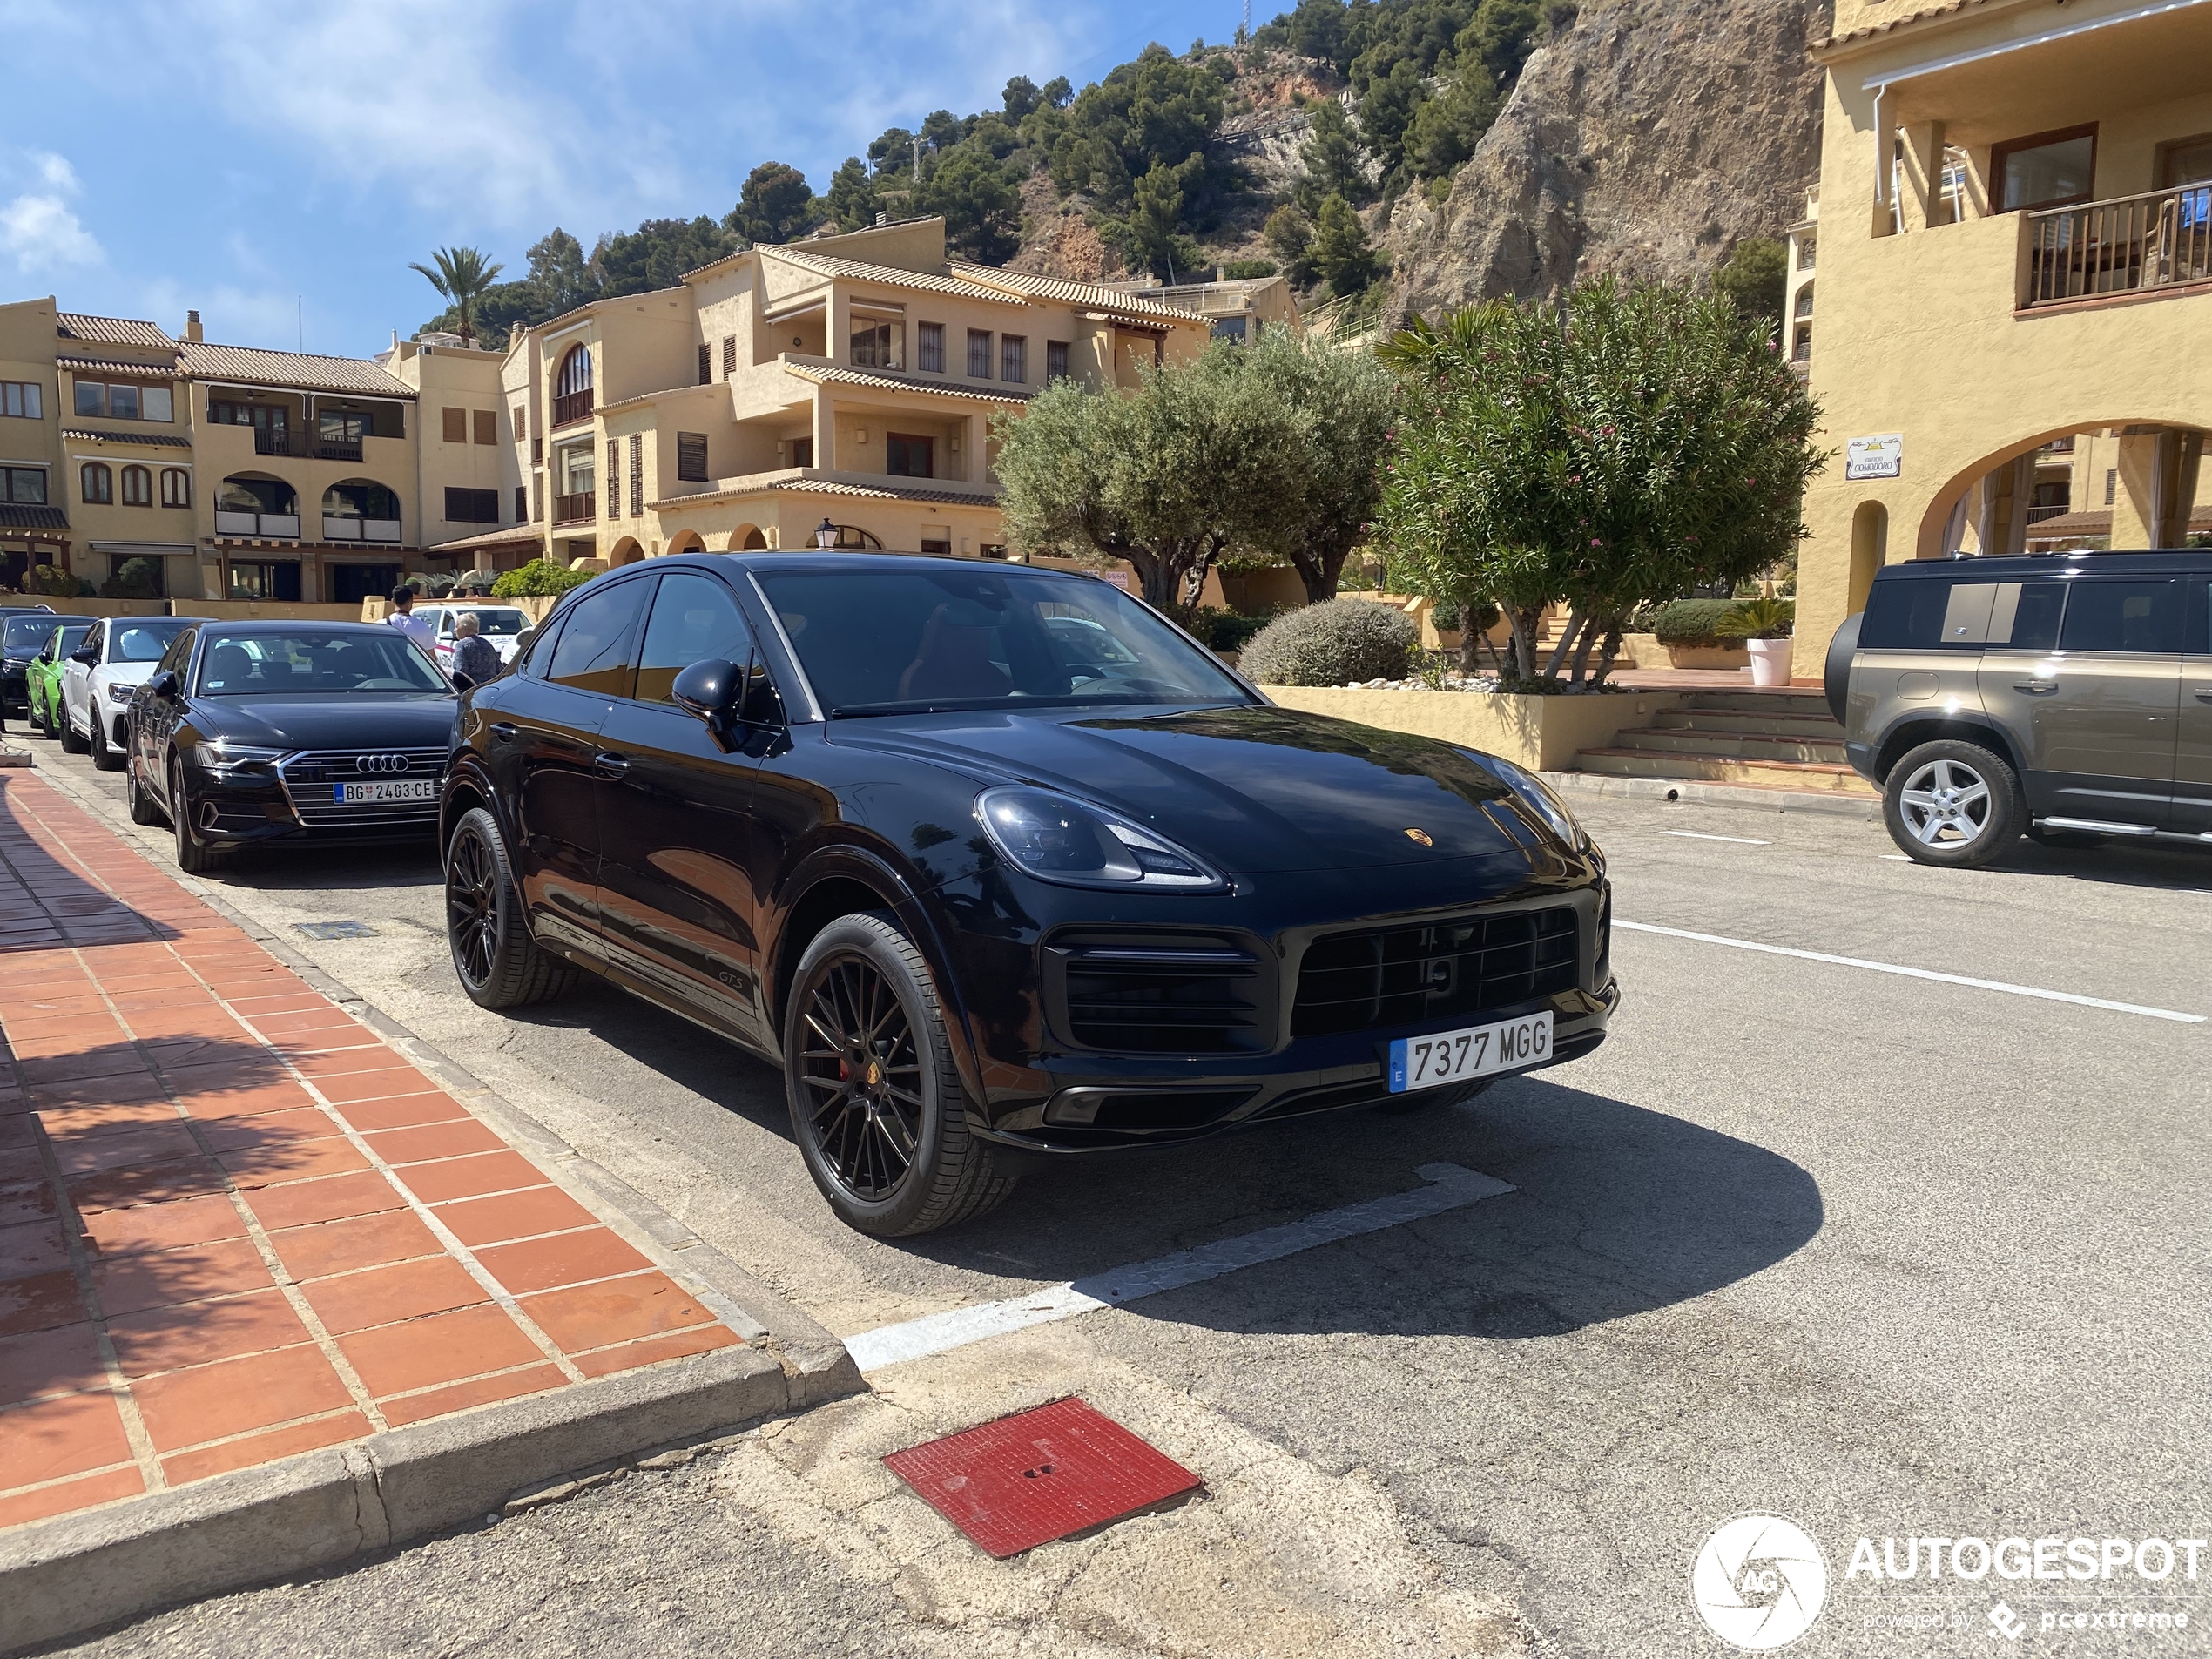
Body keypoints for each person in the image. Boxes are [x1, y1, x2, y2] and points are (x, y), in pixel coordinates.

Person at [448, 610, 502, 686]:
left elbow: (460, 672)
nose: (455, 629)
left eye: (457, 626)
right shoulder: (487, 644)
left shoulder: (462, 645)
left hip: (473, 689)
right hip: (491, 687)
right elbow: (499, 669)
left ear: (464, 627)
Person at [385, 585, 435, 655]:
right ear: (411, 601)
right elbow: (431, 656)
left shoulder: (381, 625)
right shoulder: (423, 627)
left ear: (393, 601)